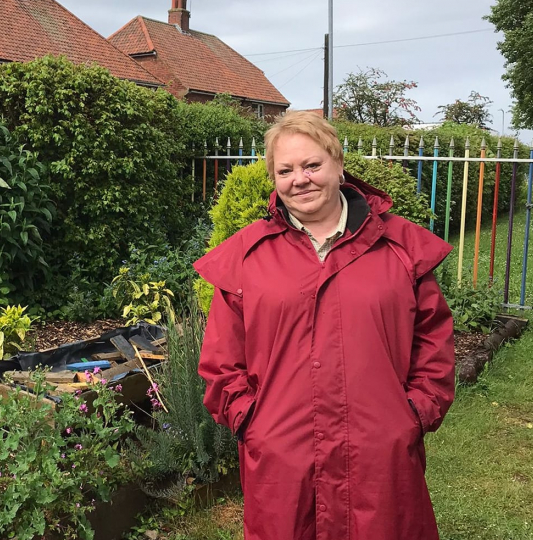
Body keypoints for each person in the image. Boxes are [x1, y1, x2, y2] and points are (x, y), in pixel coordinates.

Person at [194, 111, 455, 540]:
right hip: (283, 459)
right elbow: (221, 362)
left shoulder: (400, 248)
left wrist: (414, 412)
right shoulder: (246, 257)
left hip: (379, 455)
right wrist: (251, 421)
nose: (301, 179)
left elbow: (434, 342)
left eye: (312, 165)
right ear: (274, 177)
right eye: (286, 170)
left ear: (337, 162)